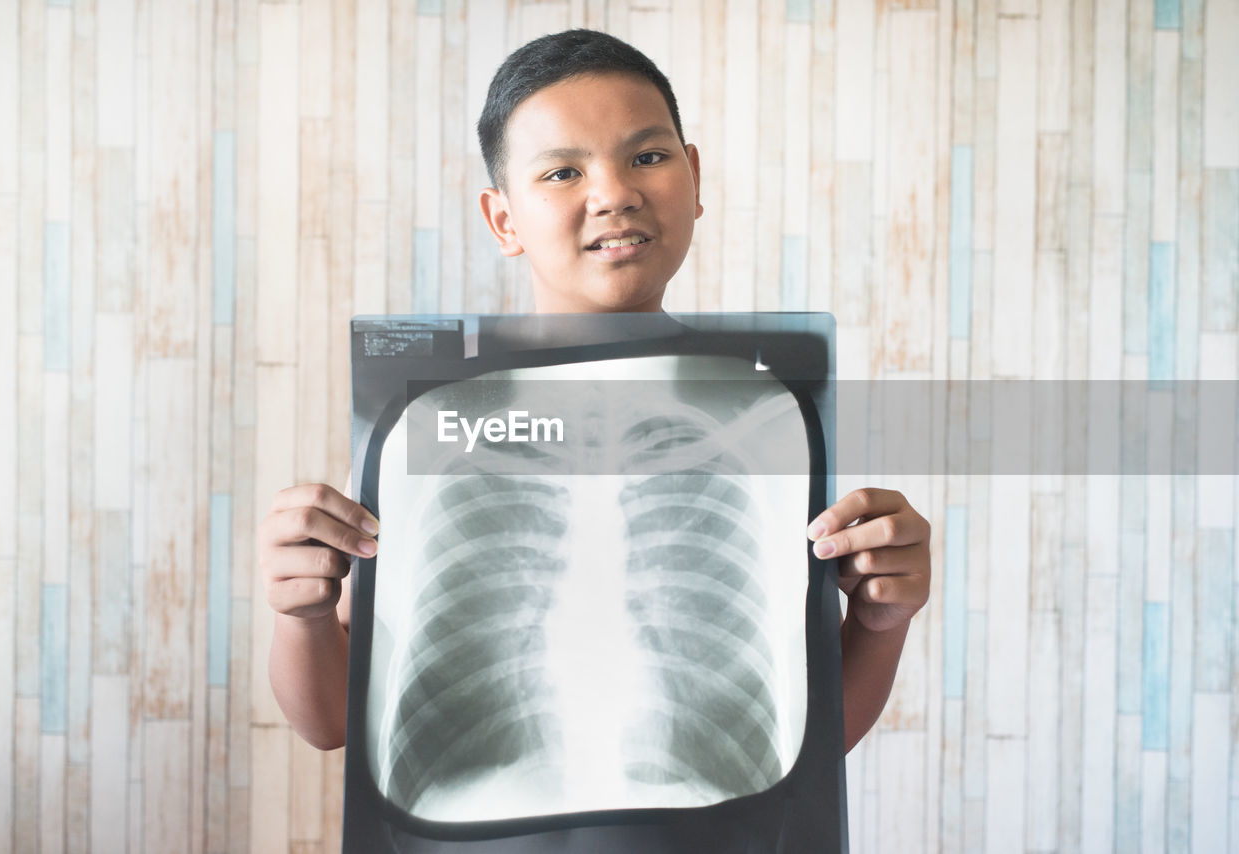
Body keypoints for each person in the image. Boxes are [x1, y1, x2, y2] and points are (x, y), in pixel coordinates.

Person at [260, 29, 930, 758]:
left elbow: (808, 744)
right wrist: (302, 616)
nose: (614, 194)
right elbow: (330, 724)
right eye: (561, 174)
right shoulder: (440, 414)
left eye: (647, 157)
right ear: (503, 219)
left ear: (695, 179)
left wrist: (878, 622)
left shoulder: (766, 409)